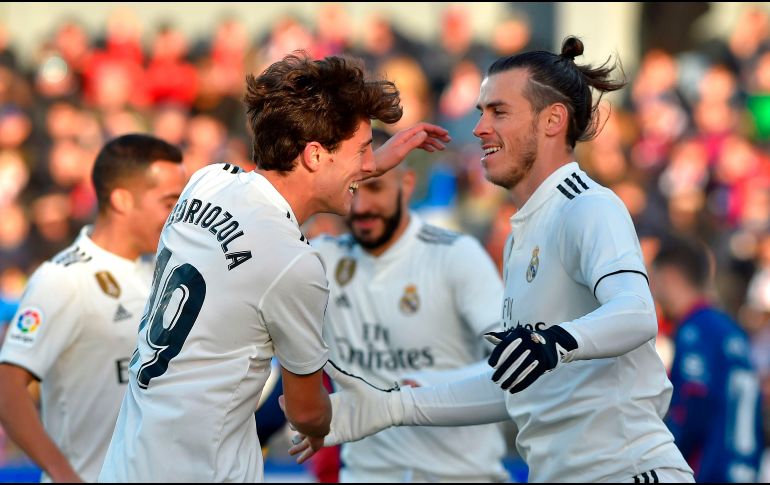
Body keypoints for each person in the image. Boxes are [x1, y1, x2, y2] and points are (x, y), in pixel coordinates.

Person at [287, 37, 695, 483]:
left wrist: (555, 340)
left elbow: (636, 313)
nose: (479, 127)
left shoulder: (588, 205)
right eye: (481, 111)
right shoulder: (524, 233)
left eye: (498, 111)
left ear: (553, 120)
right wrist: (391, 406)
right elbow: (517, 382)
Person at [98, 53, 450, 483]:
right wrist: (370, 407)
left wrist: (362, 164)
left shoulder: (206, 181)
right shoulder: (295, 265)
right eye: (362, 151)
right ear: (316, 155)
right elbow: (305, 412)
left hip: (128, 463)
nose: (366, 166)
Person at [311, 129, 508, 482]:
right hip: (367, 475)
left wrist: (428, 386)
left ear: (408, 184)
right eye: (354, 187)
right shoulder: (321, 261)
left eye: (375, 187)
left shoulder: (454, 255)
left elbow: (513, 360)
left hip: (460, 476)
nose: (361, 207)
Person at [0, 134, 186, 482]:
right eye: (169, 201)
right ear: (121, 200)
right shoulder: (63, 278)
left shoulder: (162, 272)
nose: (178, 214)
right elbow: (7, 389)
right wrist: (62, 473)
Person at [651, 236, 764, 482]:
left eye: (654, 279)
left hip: (710, 471)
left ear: (669, 275)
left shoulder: (695, 331)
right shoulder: (730, 329)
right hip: (743, 468)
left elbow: (693, 405)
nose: (653, 291)